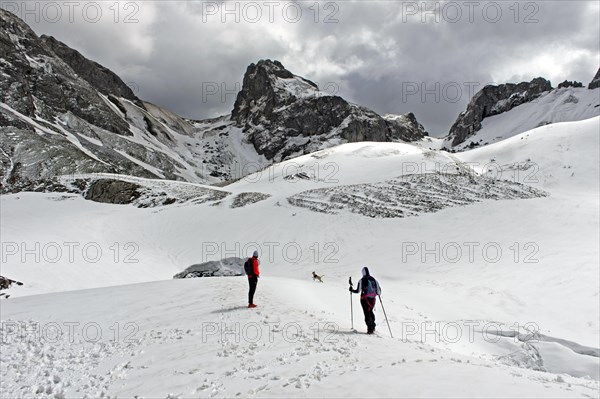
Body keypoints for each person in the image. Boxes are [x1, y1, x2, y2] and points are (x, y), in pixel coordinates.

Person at [349, 267, 381, 334]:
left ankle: (370, 330)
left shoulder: (362, 280)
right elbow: (379, 291)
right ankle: (373, 327)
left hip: (364, 299)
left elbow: (358, 291)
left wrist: (351, 290)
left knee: (366, 313)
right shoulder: (374, 279)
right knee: (370, 311)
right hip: (373, 299)